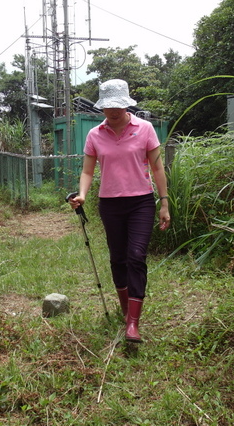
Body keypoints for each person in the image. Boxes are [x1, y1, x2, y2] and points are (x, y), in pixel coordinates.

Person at [69, 79, 170, 343]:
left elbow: (158, 168)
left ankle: (133, 324)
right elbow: (87, 170)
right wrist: (82, 194)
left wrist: (164, 203)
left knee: (136, 256)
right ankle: (126, 309)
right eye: (108, 106)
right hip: (110, 204)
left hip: (141, 203)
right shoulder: (95, 135)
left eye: (118, 105)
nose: (113, 111)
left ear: (127, 104)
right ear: (101, 107)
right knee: (118, 259)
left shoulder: (145, 129)